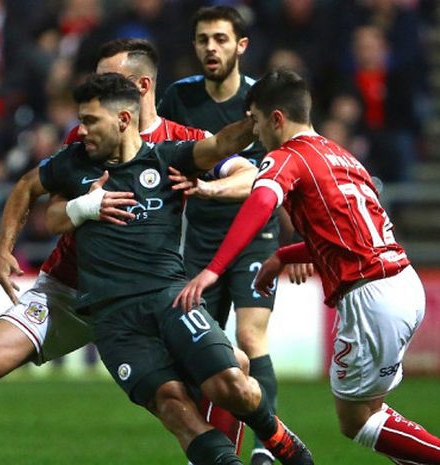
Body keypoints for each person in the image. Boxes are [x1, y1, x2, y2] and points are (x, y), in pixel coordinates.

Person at [0, 39, 254, 465]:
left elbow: (247, 172)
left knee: (216, 380)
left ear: (142, 87)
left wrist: (209, 188)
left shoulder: (182, 142)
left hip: (148, 296)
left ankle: (257, 446)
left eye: (111, 79)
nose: (99, 86)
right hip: (70, 290)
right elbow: (45, 202)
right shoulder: (86, 137)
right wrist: (10, 247)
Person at [32, 72, 313, 465]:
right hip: (113, 320)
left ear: (123, 120)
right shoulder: (73, 163)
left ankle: (276, 435)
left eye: (91, 120)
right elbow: (30, 194)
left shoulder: (166, 156)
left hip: (170, 300)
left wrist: (258, 117)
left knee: (232, 384)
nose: (81, 130)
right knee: (172, 403)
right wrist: (8, 246)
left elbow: (222, 145)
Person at [175, 68, 440, 465]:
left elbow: (261, 202)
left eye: (258, 123)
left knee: (358, 421)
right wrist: (285, 255)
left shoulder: (287, 157)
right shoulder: (339, 154)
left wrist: (214, 268)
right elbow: (347, 234)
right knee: (375, 413)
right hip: (402, 281)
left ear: (277, 119)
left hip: (370, 297)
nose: (257, 135)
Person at [157, 7, 282, 464]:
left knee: (251, 339)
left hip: (255, 238)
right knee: (199, 352)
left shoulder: (264, 99)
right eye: (204, 39)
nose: (212, 47)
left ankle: (270, 447)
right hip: (200, 241)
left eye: (221, 39)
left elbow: (281, 172)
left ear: (241, 46)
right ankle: (213, 453)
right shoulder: (179, 97)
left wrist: (298, 237)